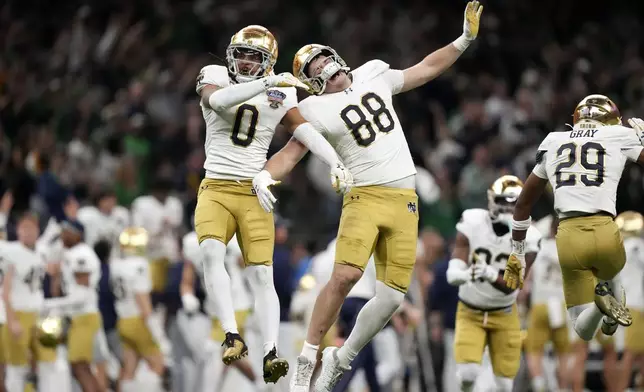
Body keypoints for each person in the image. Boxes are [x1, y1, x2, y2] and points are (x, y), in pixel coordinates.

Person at [251, 3, 484, 390]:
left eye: (324, 57)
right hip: (365, 196)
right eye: (313, 68)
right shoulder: (314, 107)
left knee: (392, 299)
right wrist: (263, 175)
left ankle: (340, 359)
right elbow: (292, 152)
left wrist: (463, 40)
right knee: (345, 274)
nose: (323, 65)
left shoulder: (373, 73)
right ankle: (308, 358)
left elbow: (423, 69)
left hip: (405, 201)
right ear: (310, 82)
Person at [194, 24, 352, 383]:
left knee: (262, 274)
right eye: (243, 54)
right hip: (216, 186)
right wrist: (268, 83)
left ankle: (269, 351)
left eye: (255, 57)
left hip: (253, 189)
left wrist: (334, 160)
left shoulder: (280, 91)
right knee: (211, 253)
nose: (247, 62)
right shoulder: (217, 75)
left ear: (268, 62)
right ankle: (232, 334)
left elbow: (303, 131)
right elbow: (216, 101)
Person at [505, 95, 644, 345]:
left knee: (582, 330)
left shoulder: (553, 141)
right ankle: (611, 302)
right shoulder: (619, 135)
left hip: (568, 236)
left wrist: (517, 252)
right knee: (611, 273)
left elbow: (523, 203)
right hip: (605, 230)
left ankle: (603, 309)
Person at [445, 175, 541, 392]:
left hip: (504, 312)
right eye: (503, 201)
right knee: (467, 375)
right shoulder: (473, 221)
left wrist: (489, 274)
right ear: (491, 200)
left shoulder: (531, 238)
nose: (507, 208)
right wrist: (460, 274)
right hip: (470, 310)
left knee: (504, 384)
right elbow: (456, 262)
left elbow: (513, 284)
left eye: (513, 203)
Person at [180, 230, 259, 389]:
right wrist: (187, 296)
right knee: (228, 356)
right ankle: (261, 382)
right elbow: (186, 281)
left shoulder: (231, 237)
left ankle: (260, 382)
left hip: (236, 305)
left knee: (216, 352)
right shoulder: (192, 242)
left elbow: (249, 268)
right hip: (215, 309)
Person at [41, 220, 108, 392]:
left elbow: (82, 295)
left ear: (77, 234)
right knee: (81, 367)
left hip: (85, 316)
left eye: (66, 232)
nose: (63, 235)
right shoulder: (70, 253)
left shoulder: (81, 255)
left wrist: (50, 304)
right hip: (77, 316)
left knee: (80, 366)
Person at [1, 213, 58, 392]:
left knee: (49, 362)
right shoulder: (11, 252)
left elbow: (49, 269)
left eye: (31, 228)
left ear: (37, 230)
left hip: (41, 313)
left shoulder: (41, 250)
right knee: (16, 367)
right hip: (19, 313)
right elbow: (5, 291)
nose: (27, 232)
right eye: (23, 228)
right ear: (17, 231)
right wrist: (12, 320)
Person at [109, 227, 165, 392]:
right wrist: (156, 330)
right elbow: (142, 299)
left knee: (129, 368)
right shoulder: (139, 265)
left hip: (123, 320)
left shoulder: (116, 265)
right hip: (137, 320)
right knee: (158, 364)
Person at [523, 215, 570, 392]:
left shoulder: (539, 247)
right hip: (561, 304)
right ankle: (564, 387)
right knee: (563, 352)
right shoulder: (570, 250)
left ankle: (539, 385)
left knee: (534, 350)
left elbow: (528, 277)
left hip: (541, 303)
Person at [615, 211, 644, 391]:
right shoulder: (638, 246)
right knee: (630, 353)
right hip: (636, 305)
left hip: (622, 304)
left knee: (630, 353)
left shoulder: (617, 248)